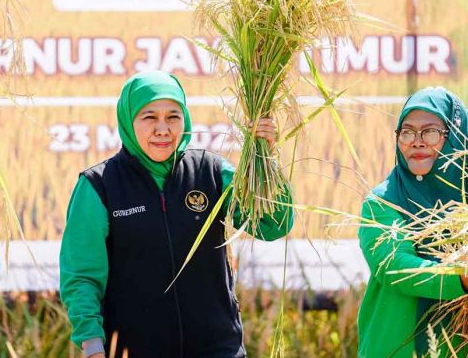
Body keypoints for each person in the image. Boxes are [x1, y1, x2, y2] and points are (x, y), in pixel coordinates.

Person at [59, 71, 294, 358]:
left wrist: (266, 159)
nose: (163, 129)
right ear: (128, 120)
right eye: (149, 117)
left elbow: (273, 225)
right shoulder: (99, 186)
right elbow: (82, 276)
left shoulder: (211, 172)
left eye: (173, 116)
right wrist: (92, 345)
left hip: (218, 350)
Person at [357, 86, 468, 357]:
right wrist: (462, 278)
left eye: (430, 131)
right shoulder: (383, 202)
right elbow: (397, 267)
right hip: (400, 348)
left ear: (457, 137)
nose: (417, 141)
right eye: (407, 132)